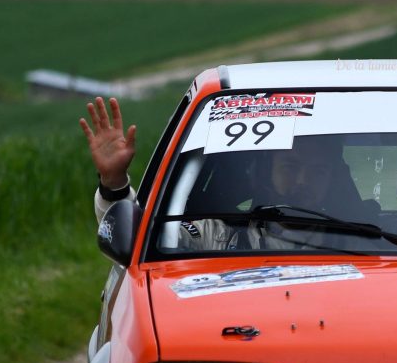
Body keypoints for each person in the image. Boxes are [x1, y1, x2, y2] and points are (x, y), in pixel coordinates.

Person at [81, 96, 365, 252]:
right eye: (291, 168)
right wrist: (114, 182)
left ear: (333, 179)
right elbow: (138, 240)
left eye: (318, 171)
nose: (304, 181)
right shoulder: (216, 235)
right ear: (265, 173)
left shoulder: (365, 243)